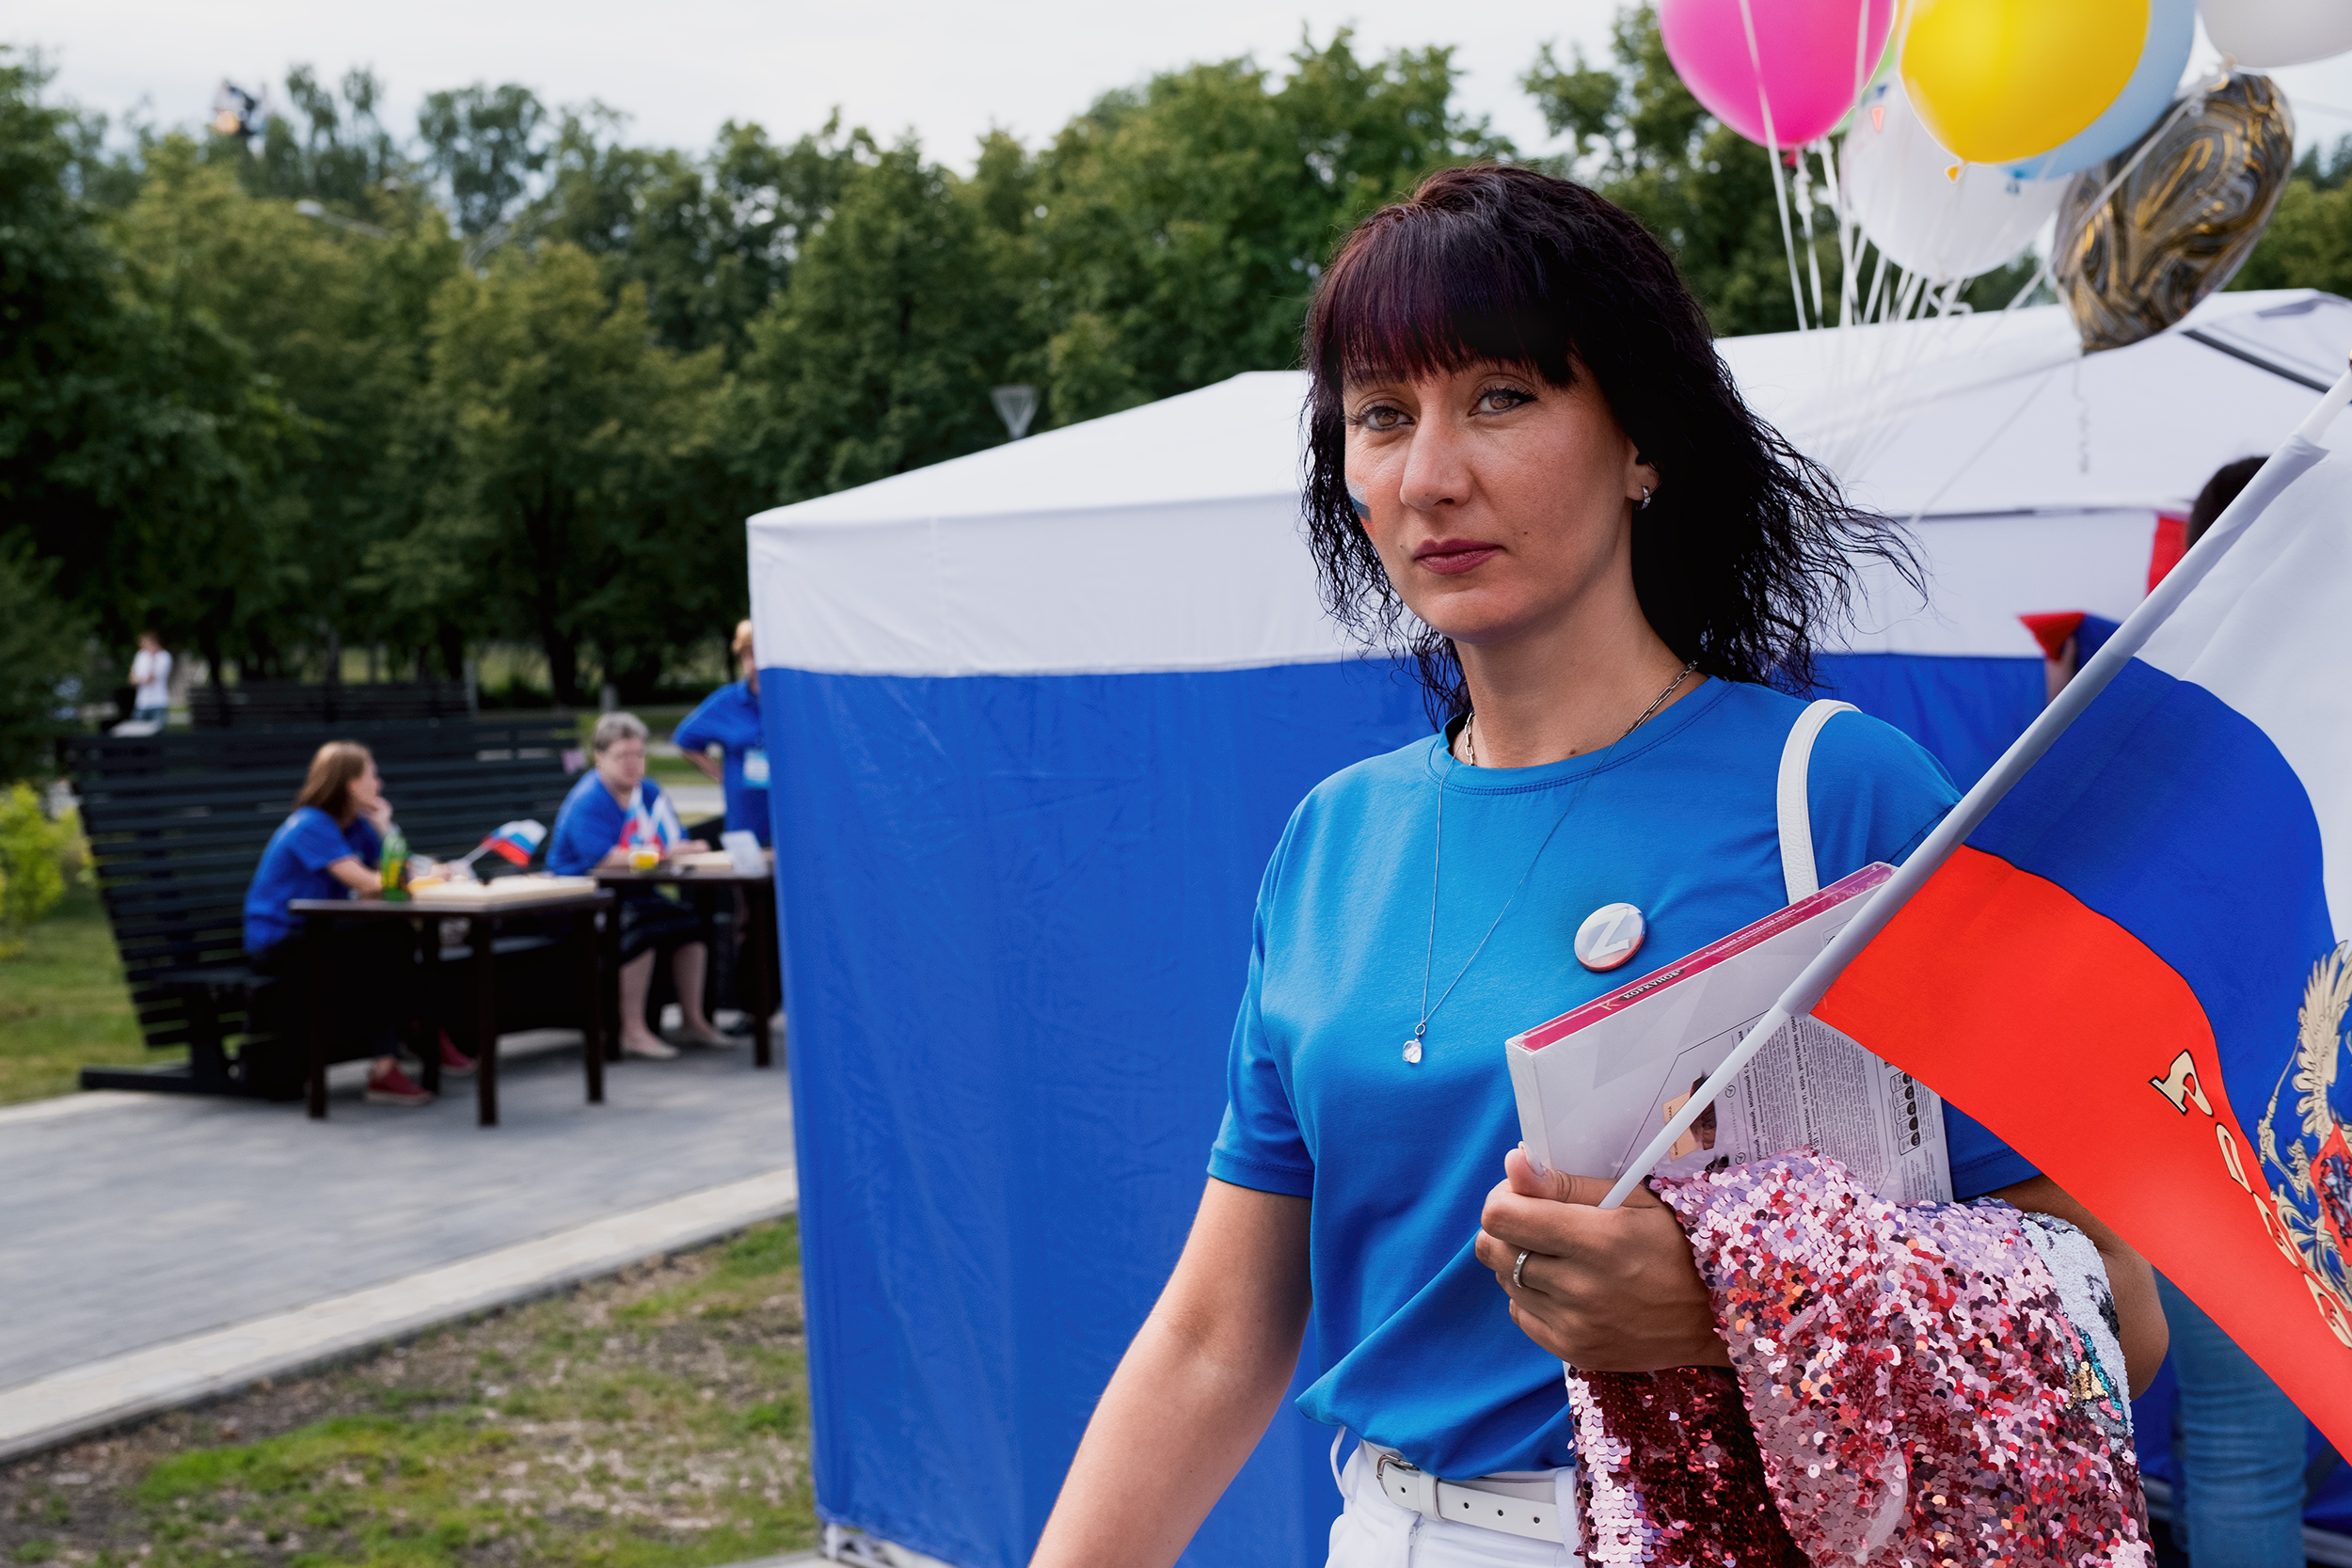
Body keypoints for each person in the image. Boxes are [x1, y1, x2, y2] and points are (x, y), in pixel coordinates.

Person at [1028, 166, 2165, 1568]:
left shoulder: (1834, 793)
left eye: (1502, 395)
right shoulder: (1331, 838)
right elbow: (1215, 1335)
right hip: (1380, 1529)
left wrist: (1748, 1300)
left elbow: (2117, 1305)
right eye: (1381, 415)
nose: (1430, 473)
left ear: (1641, 442)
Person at [2152, 451, 2322, 1568]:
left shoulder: (2152, 716)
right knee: (2249, 1445)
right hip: (2271, 1115)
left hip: (2210, 1120)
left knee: (2241, 1446)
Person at [243, 741, 470, 1106]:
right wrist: (420, 873)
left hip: (323, 932)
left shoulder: (358, 825)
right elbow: (368, 883)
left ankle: (408, 1042)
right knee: (388, 942)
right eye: (372, 776)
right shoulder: (311, 824)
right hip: (280, 942)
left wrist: (385, 828)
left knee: (392, 941)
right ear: (350, 784)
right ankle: (411, 1037)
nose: (379, 784)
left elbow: (399, 872)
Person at [548, 711, 727, 1058]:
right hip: (583, 899)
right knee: (638, 928)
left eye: (638, 754)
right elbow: (602, 859)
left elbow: (674, 838)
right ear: (599, 758)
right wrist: (661, 854)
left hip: (636, 891)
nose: (632, 763)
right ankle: (631, 1029)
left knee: (690, 926)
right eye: (622, 756)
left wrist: (685, 848)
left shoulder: (649, 792)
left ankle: (694, 1020)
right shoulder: (588, 799)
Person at [673, 620, 771, 847]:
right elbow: (685, 739)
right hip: (745, 814)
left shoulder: (790, 701)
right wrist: (722, 774)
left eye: (761, 655)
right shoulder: (728, 702)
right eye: (749, 656)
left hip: (788, 810)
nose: (755, 664)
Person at [129, 632, 172, 726]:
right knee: (137, 730)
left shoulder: (164, 656)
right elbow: (132, 678)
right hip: (141, 702)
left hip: (158, 702)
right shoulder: (140, 655)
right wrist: (141, 680)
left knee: (157, 732)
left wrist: (153, 659)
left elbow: (152, 679)